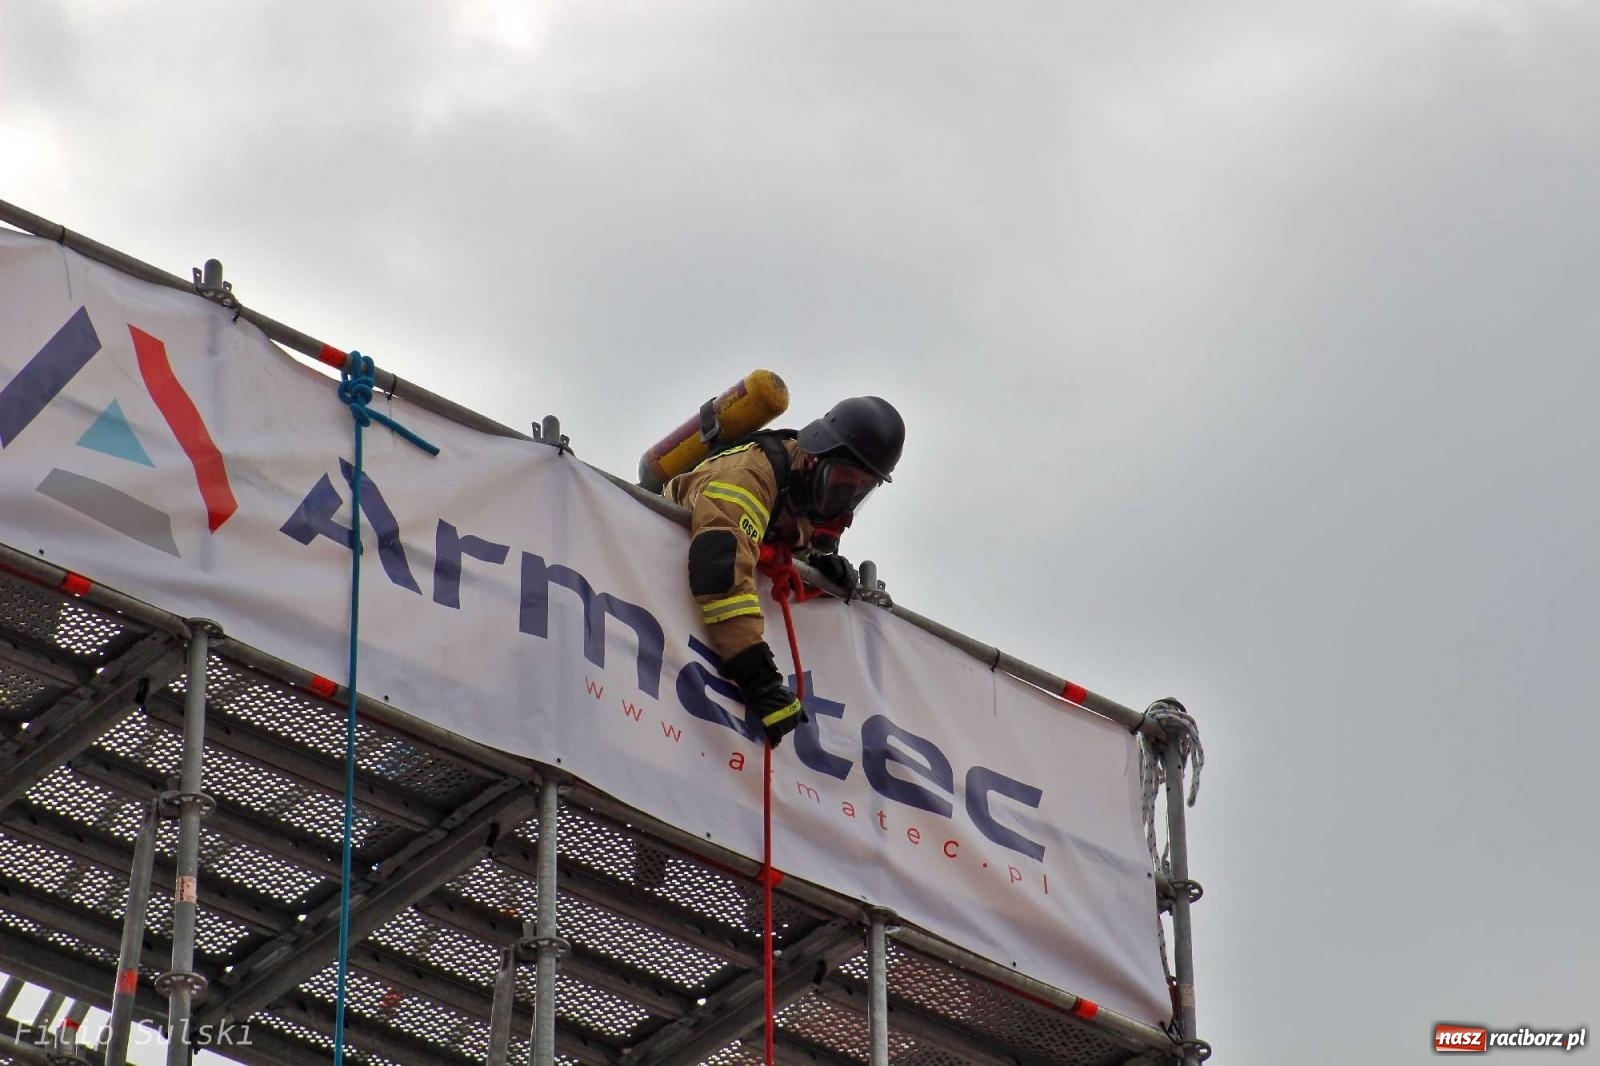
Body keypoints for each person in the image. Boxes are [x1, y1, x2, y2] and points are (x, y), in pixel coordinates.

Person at [664, 396, 905, 747]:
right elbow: (721, 569)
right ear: (814, 459)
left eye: (859, 489)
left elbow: (766, 544)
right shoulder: (749, 477)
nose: (845, 498)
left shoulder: (800, 494)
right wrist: (757, 676)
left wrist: (810, 568)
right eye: (842, 480)